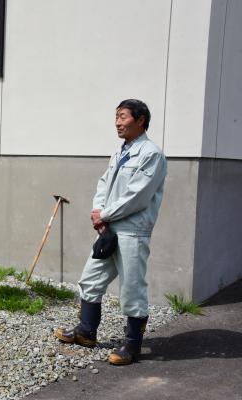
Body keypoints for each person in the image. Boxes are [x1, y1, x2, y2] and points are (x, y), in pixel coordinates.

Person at [55, 99, 167, 365]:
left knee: (132, 287)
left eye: (123, 116)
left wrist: (104, 214)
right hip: (109, 228)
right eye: (116, 116)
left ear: (140, 120)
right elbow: (104, 183)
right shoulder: (121, 151)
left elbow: (137, 196)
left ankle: (132, 346)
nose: (117, 122)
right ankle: (86, 331)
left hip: (132, 231)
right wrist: (98, 212)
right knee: (90, 279)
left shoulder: (151, 154)